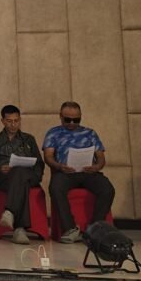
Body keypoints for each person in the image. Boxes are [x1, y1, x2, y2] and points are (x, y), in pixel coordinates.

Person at [43, 101, 115, 243]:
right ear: (60, 116)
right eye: (67, 119)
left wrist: (97, 167)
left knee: (107, 189)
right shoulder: (53, 133)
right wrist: (59, 166)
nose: (72, 123)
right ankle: (70, 229)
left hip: (88, 172)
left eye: (76, 120)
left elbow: (101, 158)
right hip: (65, 173)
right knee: (56, 188)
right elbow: (48, 156)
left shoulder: (90, 133)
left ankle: (94, 229)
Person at [0, 105, 44, 244]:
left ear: (20, 120)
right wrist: (0, 168)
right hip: (3, 179)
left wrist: (36, 178)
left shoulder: (28, 139)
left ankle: (10, 212)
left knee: (20, 172)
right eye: (9, 121)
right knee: (19, 177)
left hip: (28, 177)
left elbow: (39, 163)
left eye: (16, 121)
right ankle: (19, 229)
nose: (13, 124)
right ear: (2, 121)